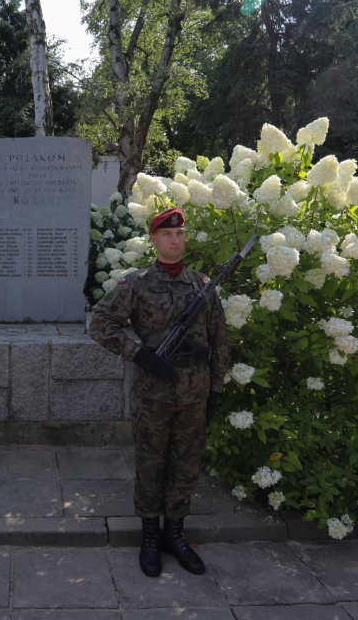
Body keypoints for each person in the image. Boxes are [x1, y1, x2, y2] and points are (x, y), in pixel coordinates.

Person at [89, 207, 229, 578]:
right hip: (153, 396)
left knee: (186, 466)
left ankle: (175, 535)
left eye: (180, 234)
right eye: (167, 234)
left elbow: (220, 341)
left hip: (195, 396)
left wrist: (215, 389)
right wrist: (141, 356)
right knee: (151, 465)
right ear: (153, 239)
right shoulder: (135, 284)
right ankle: (150, 535)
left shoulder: (203, 285)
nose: (175, 239)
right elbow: (100, 325)